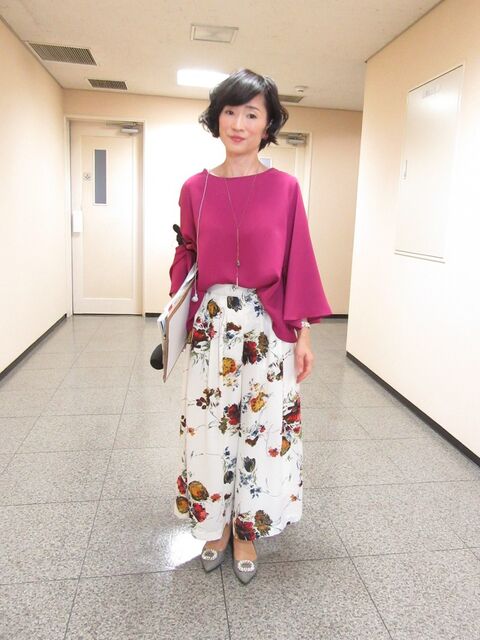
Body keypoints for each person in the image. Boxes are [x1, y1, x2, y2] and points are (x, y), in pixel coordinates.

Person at [168, 68, 332, 584]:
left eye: (251, 114)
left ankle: (247, 529)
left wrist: (303, 332)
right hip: (213, 327)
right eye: (230, 111)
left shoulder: (285, 188)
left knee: (261, 429)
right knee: (210, 428)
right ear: (216, 118)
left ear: (268, 125)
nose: (238, 123)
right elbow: (187, 253)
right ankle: (214, 525)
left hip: (267, 328)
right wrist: (176, 312)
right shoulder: (195, 188)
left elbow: (298, 261)